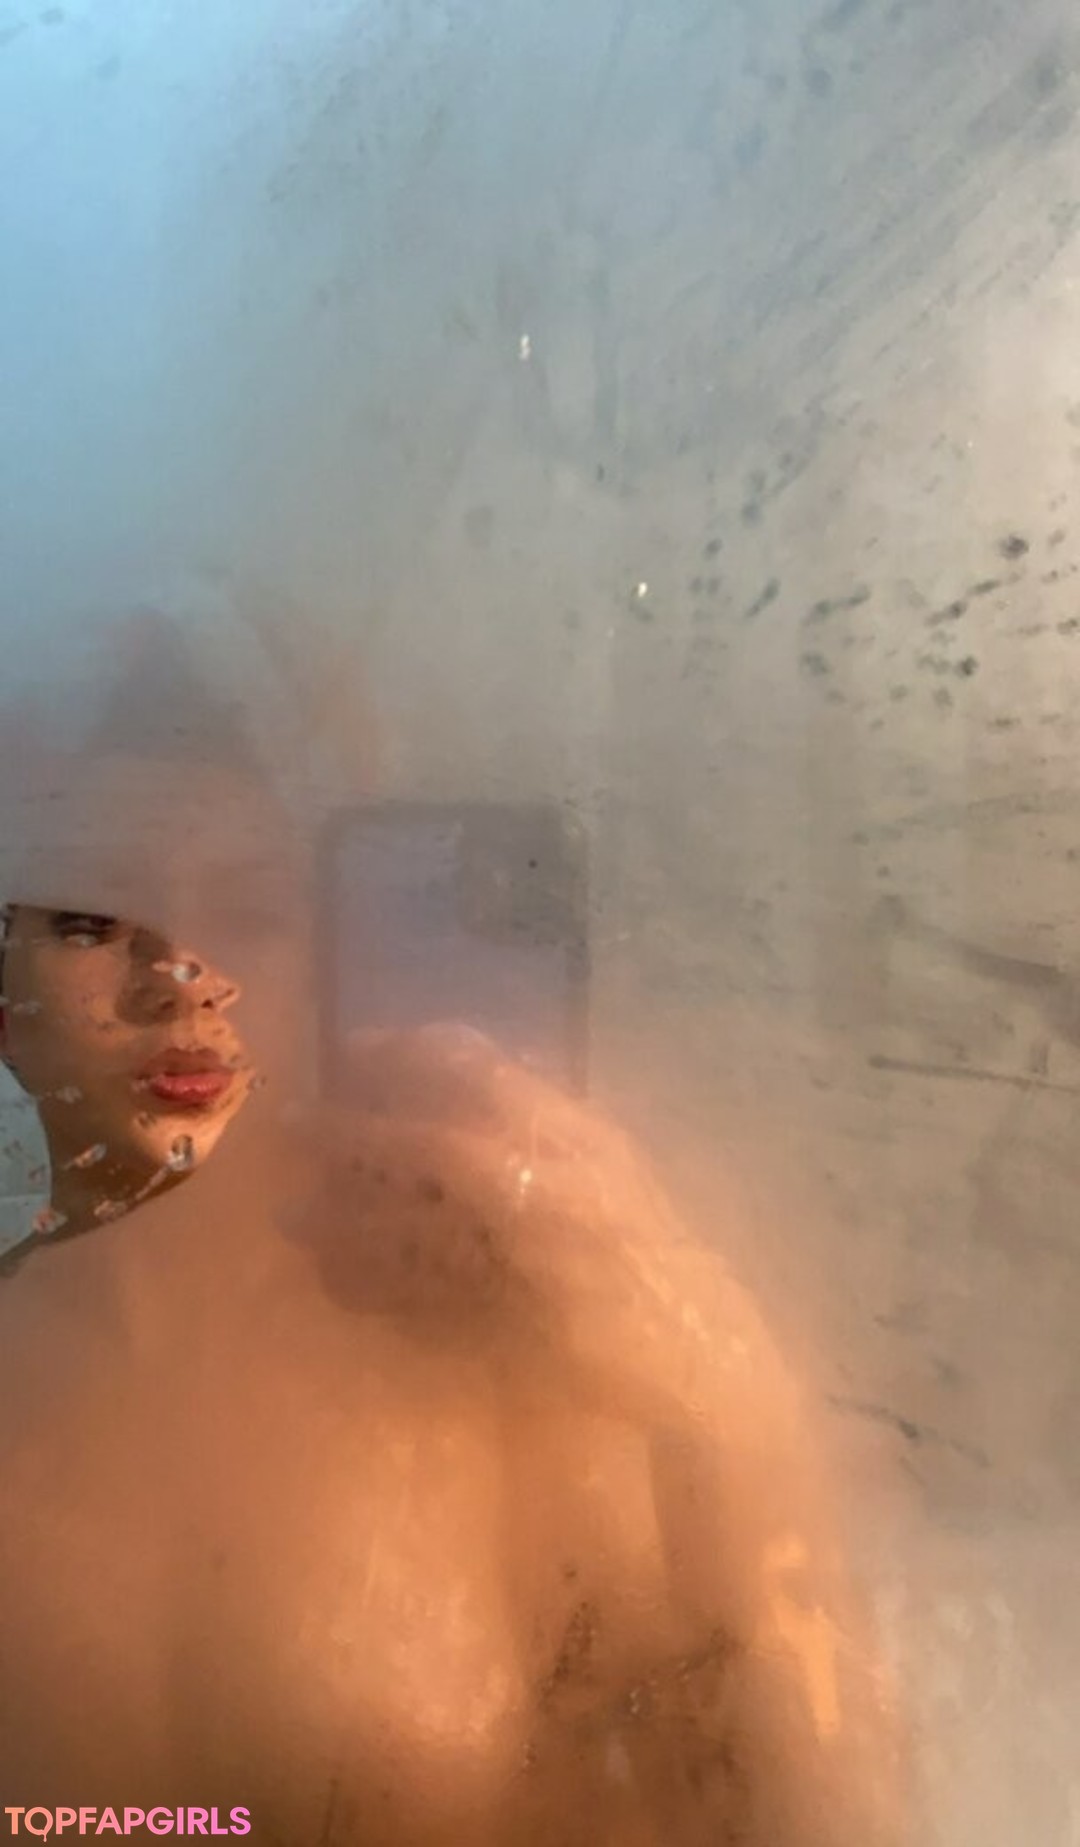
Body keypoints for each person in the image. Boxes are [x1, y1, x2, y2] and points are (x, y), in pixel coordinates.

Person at [0, 655, 902, 1842]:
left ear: (332, 955)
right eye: (93, 916)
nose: (180, 981)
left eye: (252, 905)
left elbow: (806, 1816)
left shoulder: (511, 1343)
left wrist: (726, 1401)